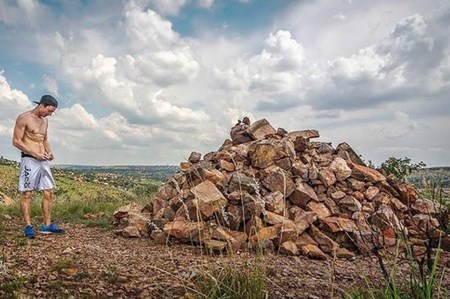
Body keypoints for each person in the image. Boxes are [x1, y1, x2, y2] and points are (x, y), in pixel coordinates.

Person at [12, 95, 64, 238]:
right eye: (49, 110)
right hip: (29, 160)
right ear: (41, 105)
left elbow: (44, 139)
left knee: (48, 192)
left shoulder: (45, 121)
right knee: (27, 193)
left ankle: (46, 225)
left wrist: (49, 152)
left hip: (43, 160)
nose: (50, 114)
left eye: (52, 112)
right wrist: (35, 153)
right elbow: (16, 141)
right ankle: (28, 226)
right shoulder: (24, 118)